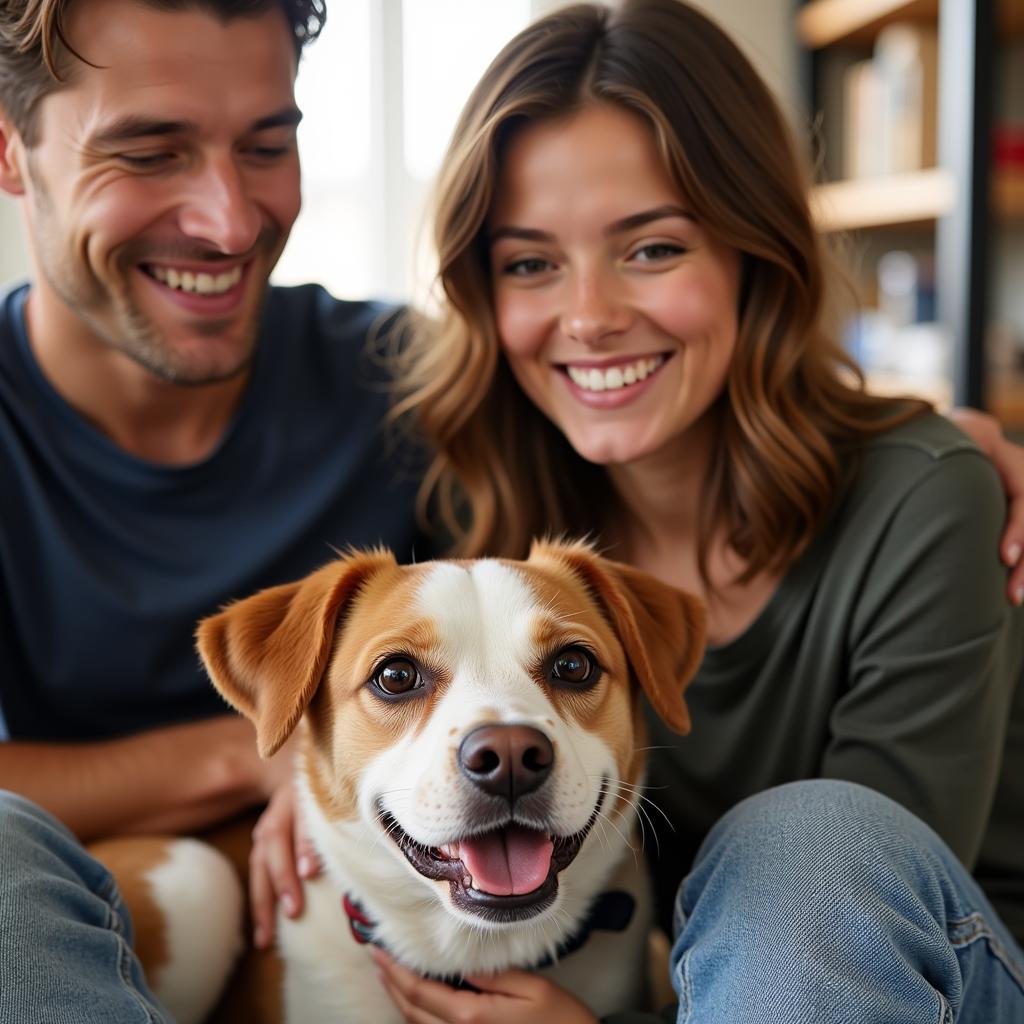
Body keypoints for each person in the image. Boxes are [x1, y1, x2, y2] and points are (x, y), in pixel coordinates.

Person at [375, 1, 1024, 1021]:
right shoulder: (483, 519)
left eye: (652, 249)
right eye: (530, 263)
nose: (588, 317)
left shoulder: (923, 501)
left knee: (806, 843)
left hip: (944, 978)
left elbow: (841, 931)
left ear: (750, 253)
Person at [0, 0, 426, 1019]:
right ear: (13, 154)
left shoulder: (416, 385)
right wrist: (266, 743)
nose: (231, 222)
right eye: (149, 153)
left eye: (267, 145)